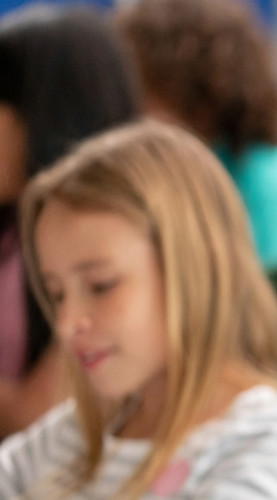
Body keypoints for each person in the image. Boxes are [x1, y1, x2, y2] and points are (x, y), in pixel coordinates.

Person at [0, 122, 277, 498]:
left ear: (194, 268)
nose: (67, 324)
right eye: (56, 294)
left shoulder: (266, 442)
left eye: (102, 286)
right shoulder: (74, 436)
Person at [0, 3, 141, 438]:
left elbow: (36, 419)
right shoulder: (13, 230)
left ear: (46, 117)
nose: (69, 321)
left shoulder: (111, 241)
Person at [118, 0, 277, 266]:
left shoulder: (270, 184)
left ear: (198, 93)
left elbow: (269, 302)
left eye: (146, 91)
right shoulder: (187, 172)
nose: (133, 110)